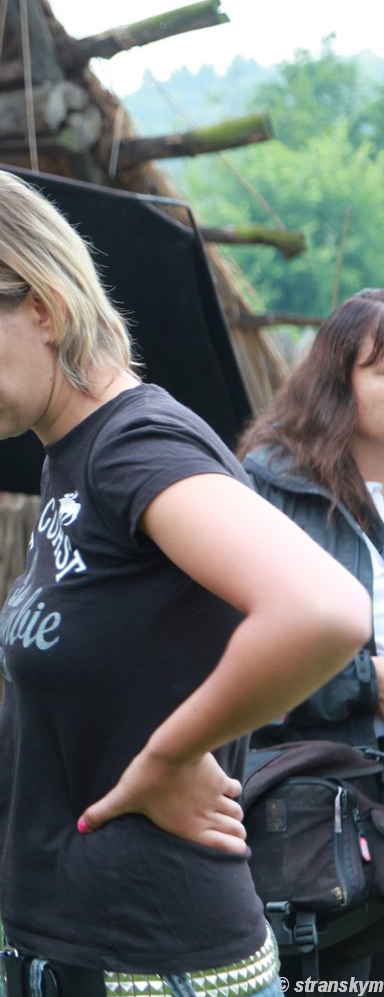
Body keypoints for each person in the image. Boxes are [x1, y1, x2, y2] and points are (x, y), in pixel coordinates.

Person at [0, 165, 370, 997]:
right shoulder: (73, 454)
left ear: (43, 308)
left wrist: (170, 757)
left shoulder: (135, 447)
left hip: (156, 963)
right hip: (76, 953)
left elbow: (325, 609)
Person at [239, 289, 384, 981]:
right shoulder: (268, 489)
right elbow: (233, 653)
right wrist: (365, 683)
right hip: (320, 808)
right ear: (337, 382)